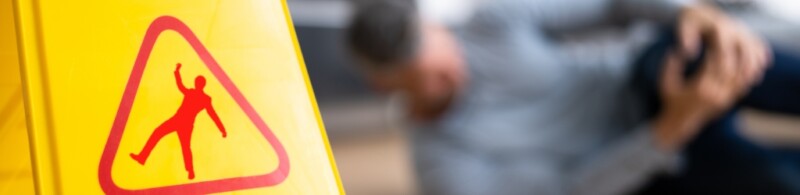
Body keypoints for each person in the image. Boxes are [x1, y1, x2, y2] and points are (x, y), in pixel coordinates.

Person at [346, 0, 781, 194]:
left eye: (443, 52)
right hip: (647, 161)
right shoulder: (444, 168)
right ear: (384, 87)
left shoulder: (488, 24)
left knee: (719, 50)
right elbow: (568, 190)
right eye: (432, 79)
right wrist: (672, 128)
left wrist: (692, 12)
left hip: (645, 76)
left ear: (435, 28)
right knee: (774, 179)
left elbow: (612, 3)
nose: (454, 71)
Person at [130, 63, 227, 180]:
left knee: (183, 146)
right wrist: (222, 130)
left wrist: (177, 71)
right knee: (161, 135)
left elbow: (213, 115)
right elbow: (213, 115)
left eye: (197, 82)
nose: (196, 84)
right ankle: (143, 157)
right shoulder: (203, 97)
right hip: (179, 120)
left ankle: (190, 170)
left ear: (200, 84)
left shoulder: (199, 96)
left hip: (182, 122)